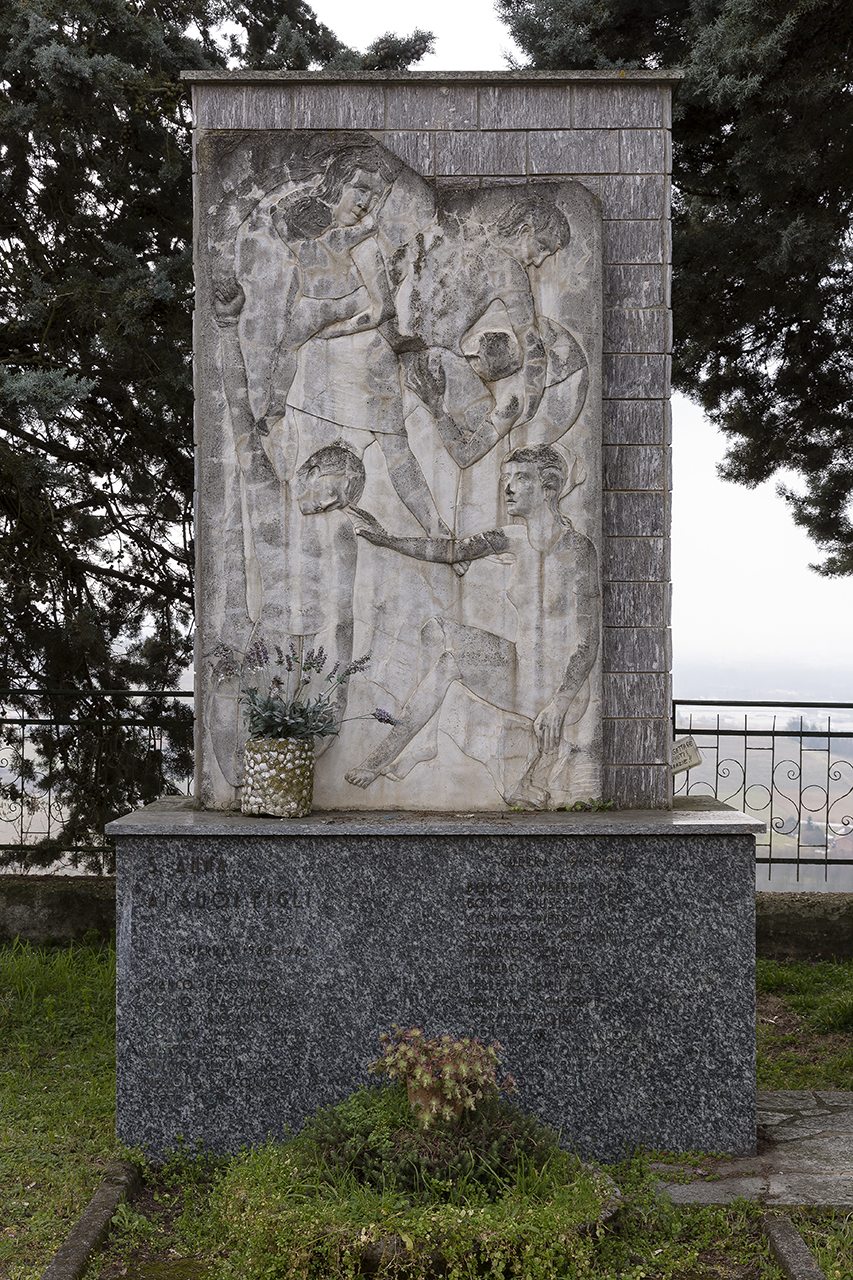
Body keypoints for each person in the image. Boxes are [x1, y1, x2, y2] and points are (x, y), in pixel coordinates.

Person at [344, 444, 600, 808]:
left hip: (556, 687)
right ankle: (425, 741)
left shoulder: (578, 550)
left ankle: (379, 758)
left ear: (549, 486)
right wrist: (385, 538)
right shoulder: (511, 537)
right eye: (505, 479)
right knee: (436, 629)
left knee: (450, 662)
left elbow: (588, 641)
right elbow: (450, 551)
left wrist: (559, 704)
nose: (507, 487)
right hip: (519, 665)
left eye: (520, 479)